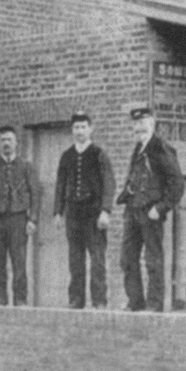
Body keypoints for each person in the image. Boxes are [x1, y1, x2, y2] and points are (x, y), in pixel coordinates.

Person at [116, 107, 184, 312]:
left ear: (152, 123)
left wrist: (161, 208)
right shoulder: (138, 148)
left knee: (153, 260)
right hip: (133, 210)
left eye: (143, 123)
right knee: (127, 258)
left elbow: (177, 184)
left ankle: (154, 304)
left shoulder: (160, 148)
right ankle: (135, 302)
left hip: (150, 212)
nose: (139, 127)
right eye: (136, 124)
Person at [54, 112, 116, 309]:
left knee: (97, 260)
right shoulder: (67, 156)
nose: (79, 131)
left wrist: (105, 210)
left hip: (94, 215)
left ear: (90, 129)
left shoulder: (99, 154)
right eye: (76, 128)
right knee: (75, 260)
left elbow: (109, 183)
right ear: (72, 131)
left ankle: (99, 301)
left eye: (83, 127)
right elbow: (60, 185)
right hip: (73, 215)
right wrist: (58, 212)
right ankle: (76, 300)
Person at [0, 126, 40, 306]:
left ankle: (20, 300)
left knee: (19, 263)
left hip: (18, 221)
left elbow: (35, 194)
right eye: (3, 140)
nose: (6, 143)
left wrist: (33, 219)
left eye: (9, 140)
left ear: (16, 143)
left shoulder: (26, 167)